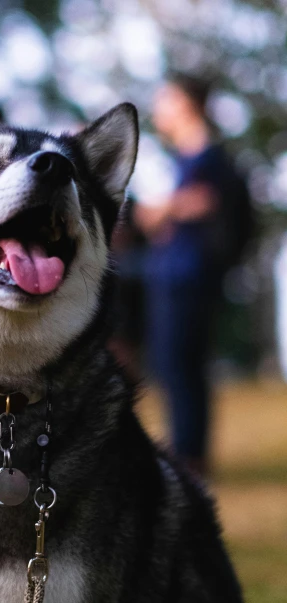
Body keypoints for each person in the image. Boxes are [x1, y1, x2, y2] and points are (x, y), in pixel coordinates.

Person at [135, 76, 237, 476]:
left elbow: (207, 200)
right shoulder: (186, 158)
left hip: (187, 279)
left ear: (187, 104)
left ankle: (189, 459)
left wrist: (163, 210)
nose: (159, 109)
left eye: (166, 100)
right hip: (175, 275)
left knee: (181, 368)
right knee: (177, 368)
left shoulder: (207, 156)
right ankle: (186, 454)